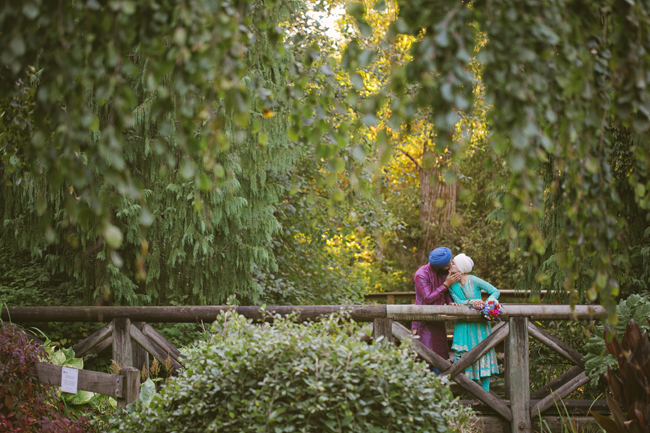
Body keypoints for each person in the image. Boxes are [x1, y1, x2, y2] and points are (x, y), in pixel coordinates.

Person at [448, 253, 500, 392]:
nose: (450, 265)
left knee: (483, 354)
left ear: (460, 267)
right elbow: (458, 302)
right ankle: (475, 394)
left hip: (479, 324)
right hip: (463, 324)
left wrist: (486, 304)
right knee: (466, 357)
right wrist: (473, 302)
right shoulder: (452, 285)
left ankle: (485, 394)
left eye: (453, 263)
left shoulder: (474, 280)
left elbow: (495, 291)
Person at [412, 247, 462, 373]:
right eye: (448, 264)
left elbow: (445, 294)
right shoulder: (421, 274)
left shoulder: (444, 273)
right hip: (423, 323)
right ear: (439, 266)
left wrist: (452, 303)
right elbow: (428, 298)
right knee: (423, 359)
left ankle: (440, 389)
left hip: (438, 322)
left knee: (440, 360)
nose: (451, 264)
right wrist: (446, 284)